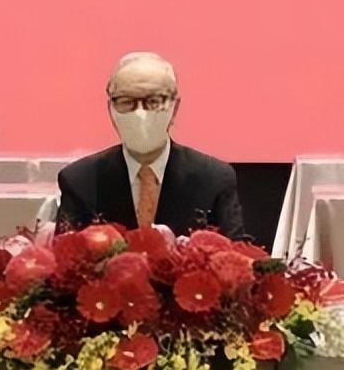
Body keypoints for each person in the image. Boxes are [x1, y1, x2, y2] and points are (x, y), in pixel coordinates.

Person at [57, 52, 245, 238]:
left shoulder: (213, 179)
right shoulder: (80, 181)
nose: (140, 114)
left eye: (154, 101)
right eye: (126, 101)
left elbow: (235, 253)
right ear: (110, 109)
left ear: (175, 107)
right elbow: (65, 253)